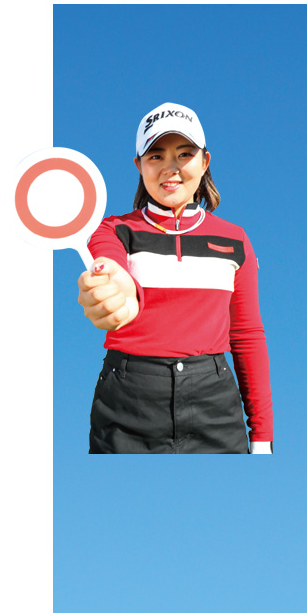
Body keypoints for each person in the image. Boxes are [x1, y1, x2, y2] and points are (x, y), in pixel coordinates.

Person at [77, 102, 273, 455]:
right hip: (127, 402)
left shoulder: (235, 239)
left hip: (215, 406)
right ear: (139, 165)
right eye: (156, 156)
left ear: (204, 161)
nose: (171, 168)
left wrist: (262, 437)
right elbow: (110, 267)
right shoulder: (113, 230)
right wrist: (114, 291)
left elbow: (247, 336)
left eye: (184, 154)